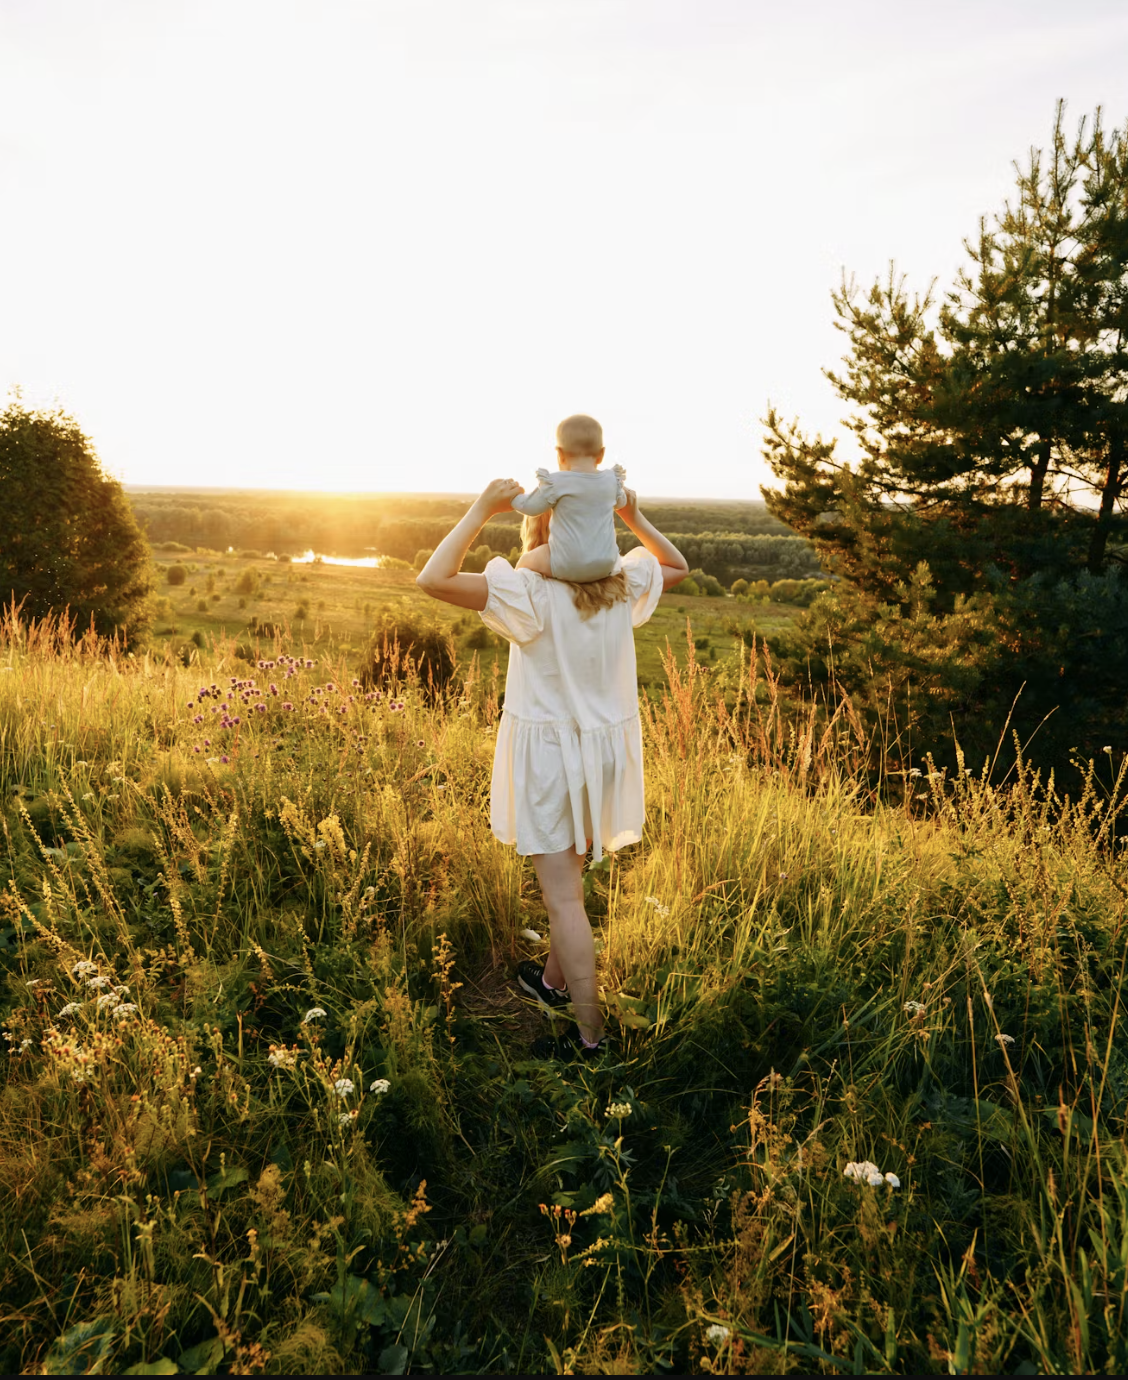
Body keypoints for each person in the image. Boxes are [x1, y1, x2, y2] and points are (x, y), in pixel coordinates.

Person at [416, 464, 688, 1058]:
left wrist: (481, 509)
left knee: (563, 900)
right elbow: (676, 566)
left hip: (551, 759)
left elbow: (432, 579)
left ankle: (590, 1043)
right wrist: (631, 515)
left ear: (540, 530)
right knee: (573, 888)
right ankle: (551, 983)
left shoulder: (527, 590)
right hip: (604, 757)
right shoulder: (620, 583)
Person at [510, 414, 627, 583]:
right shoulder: (611, 480)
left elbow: (530, 508)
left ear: (560, 454)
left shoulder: (557, 481)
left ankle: (517, 590)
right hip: (607, 565)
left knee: (527, 560)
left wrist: (512, 495)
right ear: (601, 454)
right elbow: (621, 503)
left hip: (567, 565)